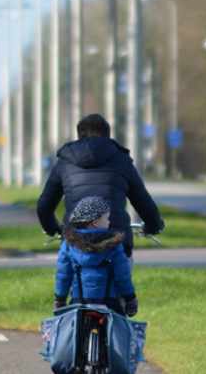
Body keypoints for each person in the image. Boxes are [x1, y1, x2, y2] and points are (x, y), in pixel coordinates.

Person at [37, 114, 165, 257]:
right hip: (116, 241)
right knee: (121, 277)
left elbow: (44, 206)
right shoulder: (122, 160)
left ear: (79, 136)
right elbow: (143, 202)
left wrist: (52, 228)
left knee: (67, 276)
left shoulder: (65, 163)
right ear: (107, 136)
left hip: (75, 242)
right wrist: (153, 225)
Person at [53, 196, 138, 316]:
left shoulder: (69, 244)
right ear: (95, 222)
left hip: (79, 302)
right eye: (106, 218)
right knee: (117, 330)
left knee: (75, 331)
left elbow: (63, 275)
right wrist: (130, 298)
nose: (109, 222)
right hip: (110, 304)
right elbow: (122, 276)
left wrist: (60, 299)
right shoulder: (114, 244)